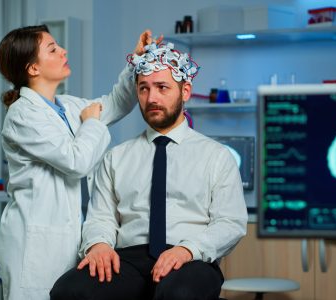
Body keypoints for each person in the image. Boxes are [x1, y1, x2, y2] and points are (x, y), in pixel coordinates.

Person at [50, 42, 248, 300]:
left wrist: (187, 250)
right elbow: (101, 218)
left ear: (185, 91)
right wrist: (98, 244)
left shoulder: (216, 156)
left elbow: (230, 223)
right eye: (144, 88)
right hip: (127, 259)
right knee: (70, 290)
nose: (152, 98)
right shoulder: (116, 158)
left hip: (189, 258)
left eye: (162, 87)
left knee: (180, 293)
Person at [0, 24, 162, 300]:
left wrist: (136, 61)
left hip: (71, 238)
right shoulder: (22, 115)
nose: (63, 51)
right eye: (52, 49)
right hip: (35, 246)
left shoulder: (68, 106)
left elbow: (116, 102)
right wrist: (93, 123)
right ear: (33, 68)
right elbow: (76, 160)